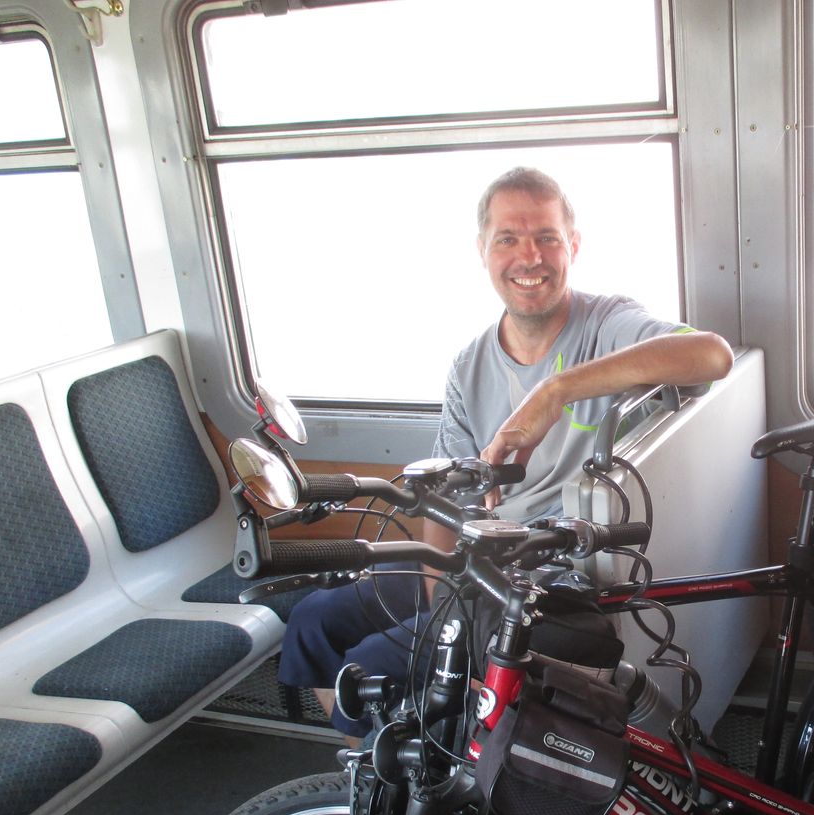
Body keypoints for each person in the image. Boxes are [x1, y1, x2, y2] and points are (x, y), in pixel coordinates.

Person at [278, 166, 734, 737]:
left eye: (546, 237)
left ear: (573, 245)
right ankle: (372, 769)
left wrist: (555, 392)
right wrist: (440, 602)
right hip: (476, 560)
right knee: (313, 621)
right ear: (482, 251)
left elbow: (711, 357)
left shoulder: (608, 325)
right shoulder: (468, 366)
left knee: (372, 666)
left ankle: (408, 776)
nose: (529, 257)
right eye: (508, 239)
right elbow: (446, 500)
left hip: (551, 573)